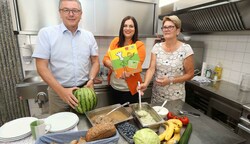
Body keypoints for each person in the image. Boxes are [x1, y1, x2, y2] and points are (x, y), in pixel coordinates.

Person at [32, 0, 100, 114]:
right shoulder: (46, 34)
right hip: (58, 93)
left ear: (81, 14)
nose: (71, 14)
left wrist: (91, 79)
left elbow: (95, 62)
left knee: (85, 127)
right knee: (59, 128)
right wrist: (62, 92)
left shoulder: (88, 36)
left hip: (84, 91)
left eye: (75, 10)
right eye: (66, 10)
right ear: (60, 13)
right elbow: (41, 67)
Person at [138, 15, 194, 103]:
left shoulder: (186, 49)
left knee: (173, 117)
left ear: (178, 30)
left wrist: (170, 80)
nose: (166, 29)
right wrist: (145, 83)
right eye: (164, 27)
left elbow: (190, 74)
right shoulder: (157, 47)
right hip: (157, 96)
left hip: (175, 98)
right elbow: (151, 69)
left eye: (170, 27)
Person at [102, 16, 146, 104]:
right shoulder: (115, 41)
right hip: (113, 87)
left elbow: (134, 66)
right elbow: (105, 59)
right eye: (125, 26)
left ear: (135, 29)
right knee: (115, 115)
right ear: (122, 28)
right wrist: (113, 65)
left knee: (129, 116)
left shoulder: (139, 45)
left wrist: (126, 70)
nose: (128, 28)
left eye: (131, 26)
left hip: (129, 90)